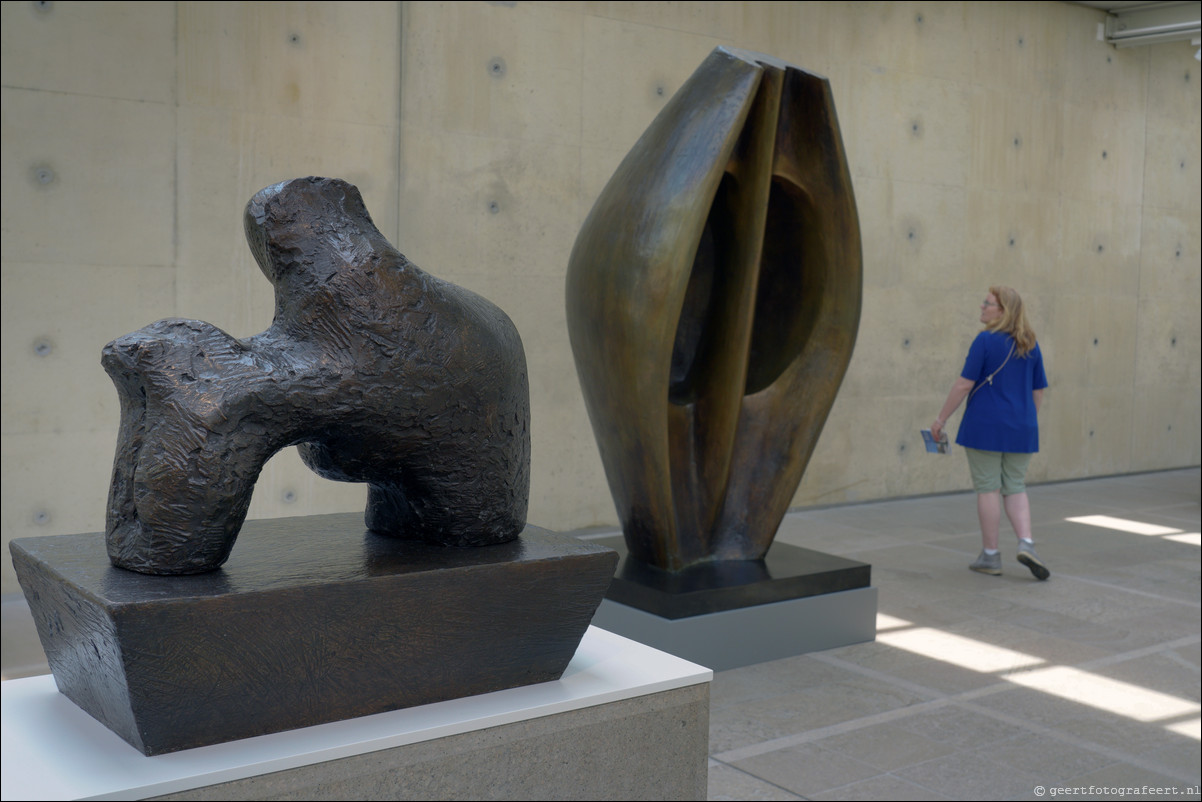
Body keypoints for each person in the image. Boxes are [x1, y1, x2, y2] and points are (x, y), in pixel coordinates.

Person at [932, 286, 1050, 580]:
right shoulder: (1030, 343)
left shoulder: (985, 340)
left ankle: (990, 555)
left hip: (985, 426)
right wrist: (1025, 421)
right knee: (1015, 486)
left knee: (988, 488)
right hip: (1022, 428)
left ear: (1002, 311)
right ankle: (1027, 543)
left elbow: (963, 385)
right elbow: (1039, 391)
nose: (982, 308)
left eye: (988, 304)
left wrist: (941, 419)